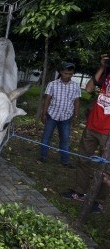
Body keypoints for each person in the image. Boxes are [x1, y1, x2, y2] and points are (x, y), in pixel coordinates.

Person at [60, 54, 110, 213]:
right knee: (83, 159)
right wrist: (102, 67)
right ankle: (78, 192)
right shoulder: (106, 74)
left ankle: (99, 201)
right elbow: (88, 88)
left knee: (105, 167)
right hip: (92, 126)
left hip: (107, 132)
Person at [38, 62, 81, 168]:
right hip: (52, 115)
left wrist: (75, 116)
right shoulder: (52, 84)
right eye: (66, 73)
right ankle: (42, 156)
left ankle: (65, 161)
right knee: (46, 137)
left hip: (66, 117)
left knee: (65, 139)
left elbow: (77, 102)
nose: (68, 76)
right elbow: (47, 99)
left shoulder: (75, 86)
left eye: (70, 74)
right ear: (61, 72)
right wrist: (43, 114)